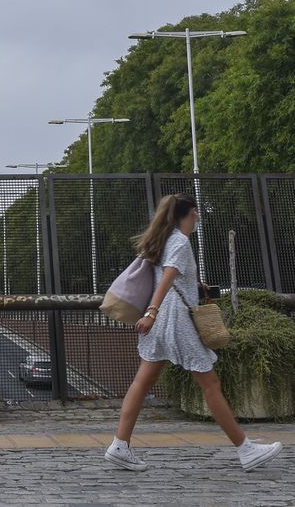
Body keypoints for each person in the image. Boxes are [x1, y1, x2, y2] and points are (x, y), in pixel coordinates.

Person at [103, 193, 283, 473]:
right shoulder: (179, 241)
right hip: (174, 320)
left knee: (142, 381)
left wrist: (186, 291)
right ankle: (246, 449)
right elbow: (168, 278)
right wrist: (152, 312)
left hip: (161, 321)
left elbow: (168, 277)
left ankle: (120, 444)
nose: (198, 216)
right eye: (195, 212)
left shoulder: (163, 240)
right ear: (186, 215)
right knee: (210, 383)